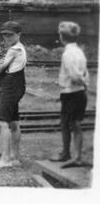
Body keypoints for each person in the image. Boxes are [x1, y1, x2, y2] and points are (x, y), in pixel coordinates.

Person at [50, 21, 90, 168]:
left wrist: (80, 82)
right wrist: (85, 84)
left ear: (62, 36)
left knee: (67, 125)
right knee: (75, 124)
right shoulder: (79, 51)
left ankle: (68, 154)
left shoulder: (68, 53)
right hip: (79, 93)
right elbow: (84, 72)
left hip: (71, 93)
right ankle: (74, 155)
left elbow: (74, 75)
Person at [0, 21, 28, 169]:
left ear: (18, 34)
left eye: (10, 35)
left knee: (3, 122)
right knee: (13, 121)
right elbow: (8, 65)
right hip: (17, 85)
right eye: (5, 35)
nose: (7, 38)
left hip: (10, 86)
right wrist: (5, 63)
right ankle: (15, 158)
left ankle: (5, 160)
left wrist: (0, 64)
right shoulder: (20, 48)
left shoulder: (13, 50)